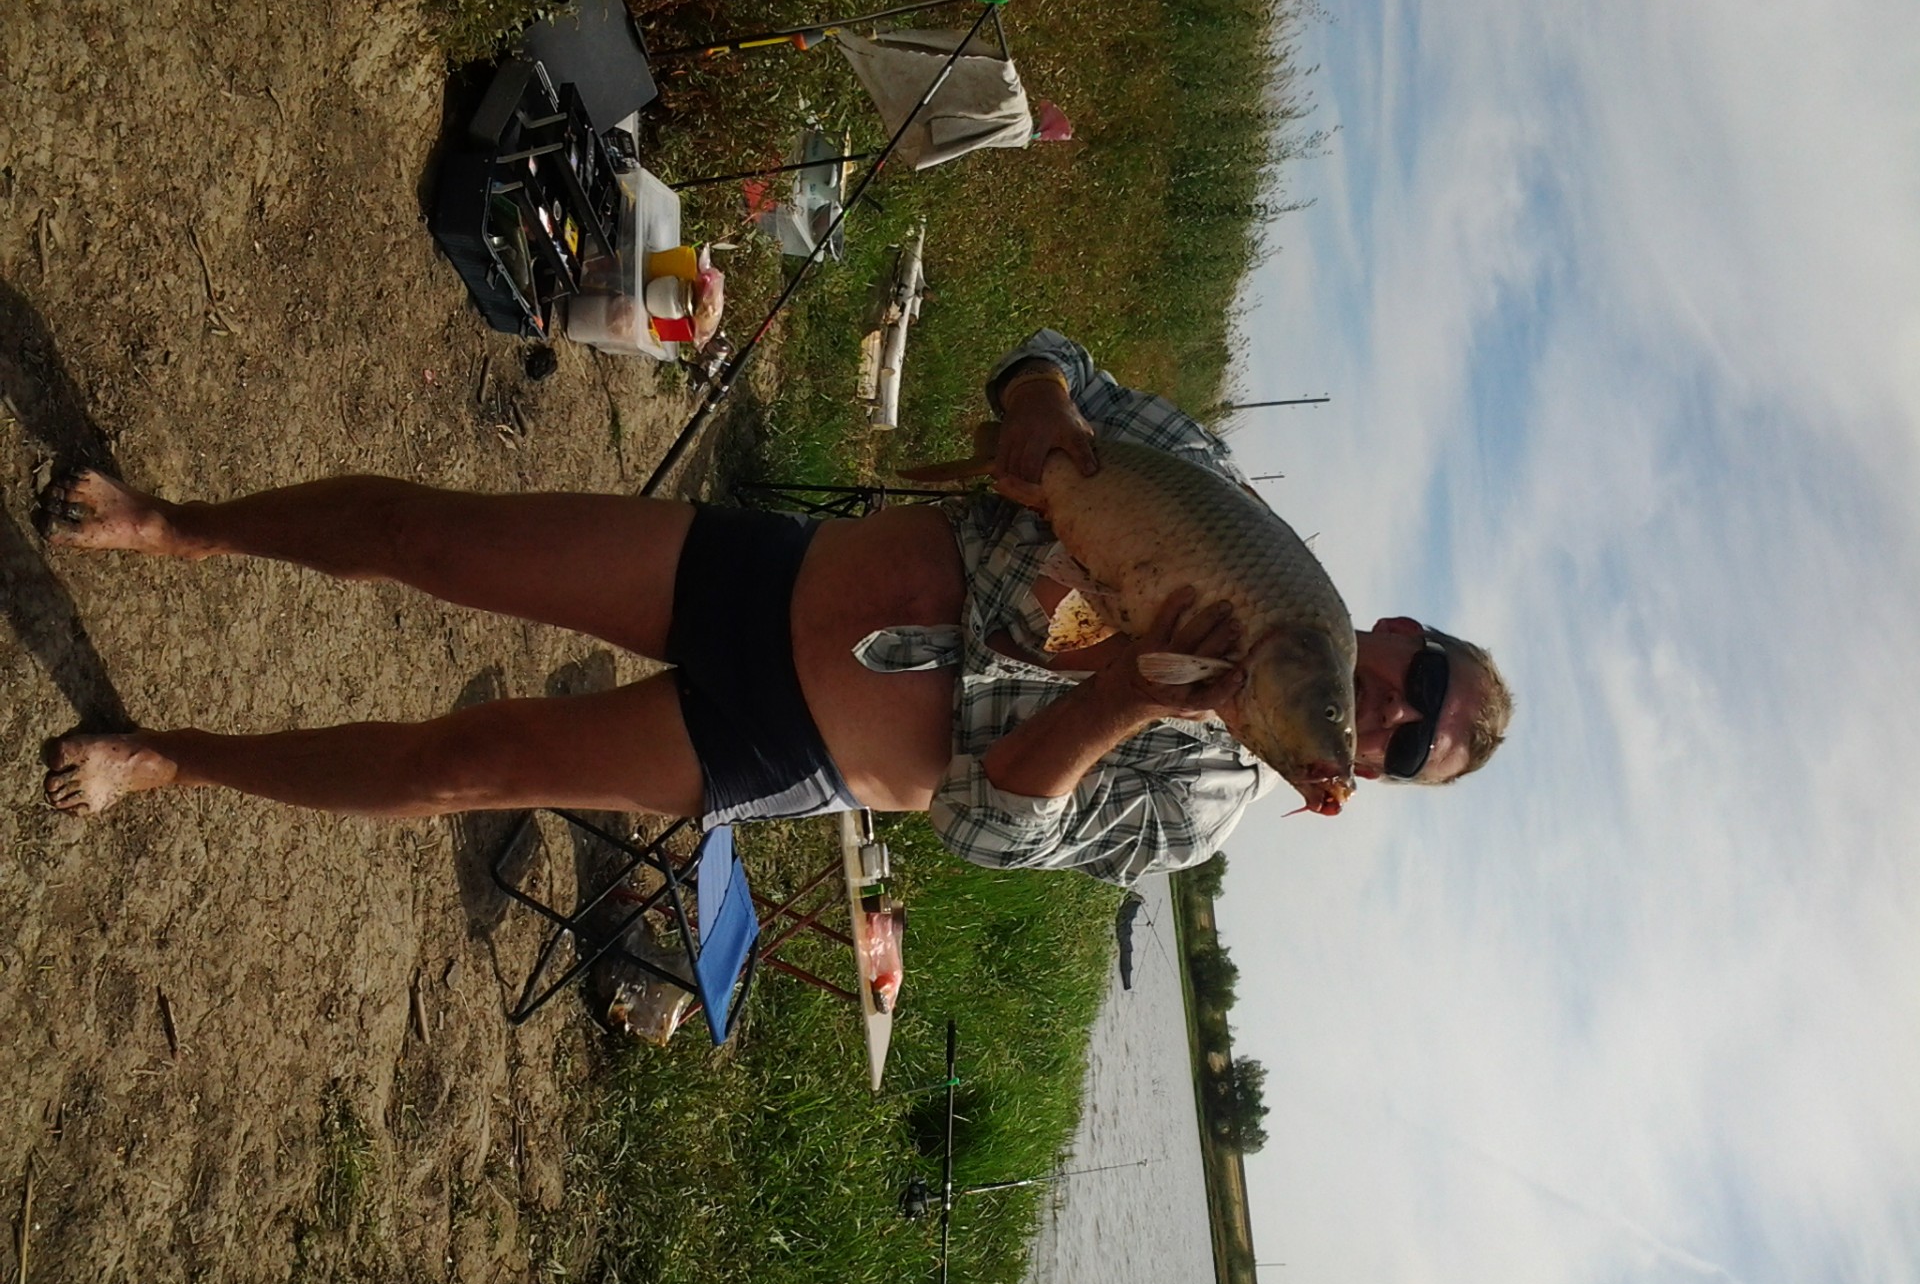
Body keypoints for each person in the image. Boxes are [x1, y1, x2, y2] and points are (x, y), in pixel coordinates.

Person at [38, 330, 1511, 885]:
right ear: (1396, 634)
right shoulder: (1232, 512)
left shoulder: (1200, 804)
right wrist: (1036, 400)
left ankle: (168, 759)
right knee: (436, 537)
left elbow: (989, 830)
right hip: (766, 572)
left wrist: (1124, 694)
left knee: (459, 768)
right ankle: (175, 526)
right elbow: (1053, 362)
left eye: (1397, 747)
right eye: (1420, 685)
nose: (1388, 715)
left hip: (782, 743)